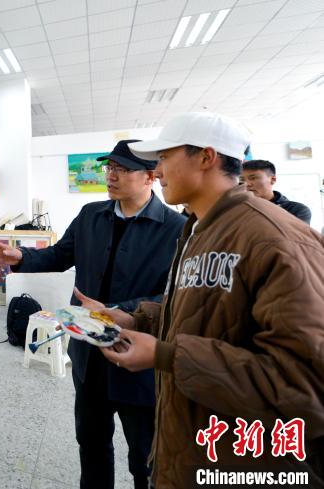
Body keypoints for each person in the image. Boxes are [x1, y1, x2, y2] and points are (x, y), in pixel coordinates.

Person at [88, 113, 324, 488]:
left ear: (205, 157)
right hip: (194, 445)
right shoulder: (199, 228)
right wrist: (137, 319)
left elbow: (304, 385)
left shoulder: (275, 238)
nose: (157, 171)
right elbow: (209, 313)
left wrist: (167, 356)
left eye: (164, 158)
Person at [0, 140, 186, 489]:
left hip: (139, 359)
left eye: (122, 169)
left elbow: (176, 297)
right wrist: (23, 257)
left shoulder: (176, 228)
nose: (111, 176)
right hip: (89, 356)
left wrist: (120, 311)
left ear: (150, 176)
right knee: (91, 444)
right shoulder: (91, 215)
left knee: (146, 458)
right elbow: (61, 254)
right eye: (109, 168)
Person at [242, 159, 312, 224]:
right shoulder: (239, 208)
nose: (246, 184)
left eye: (253, 178)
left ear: (273, 179)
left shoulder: (296, 210)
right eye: (242, 179)